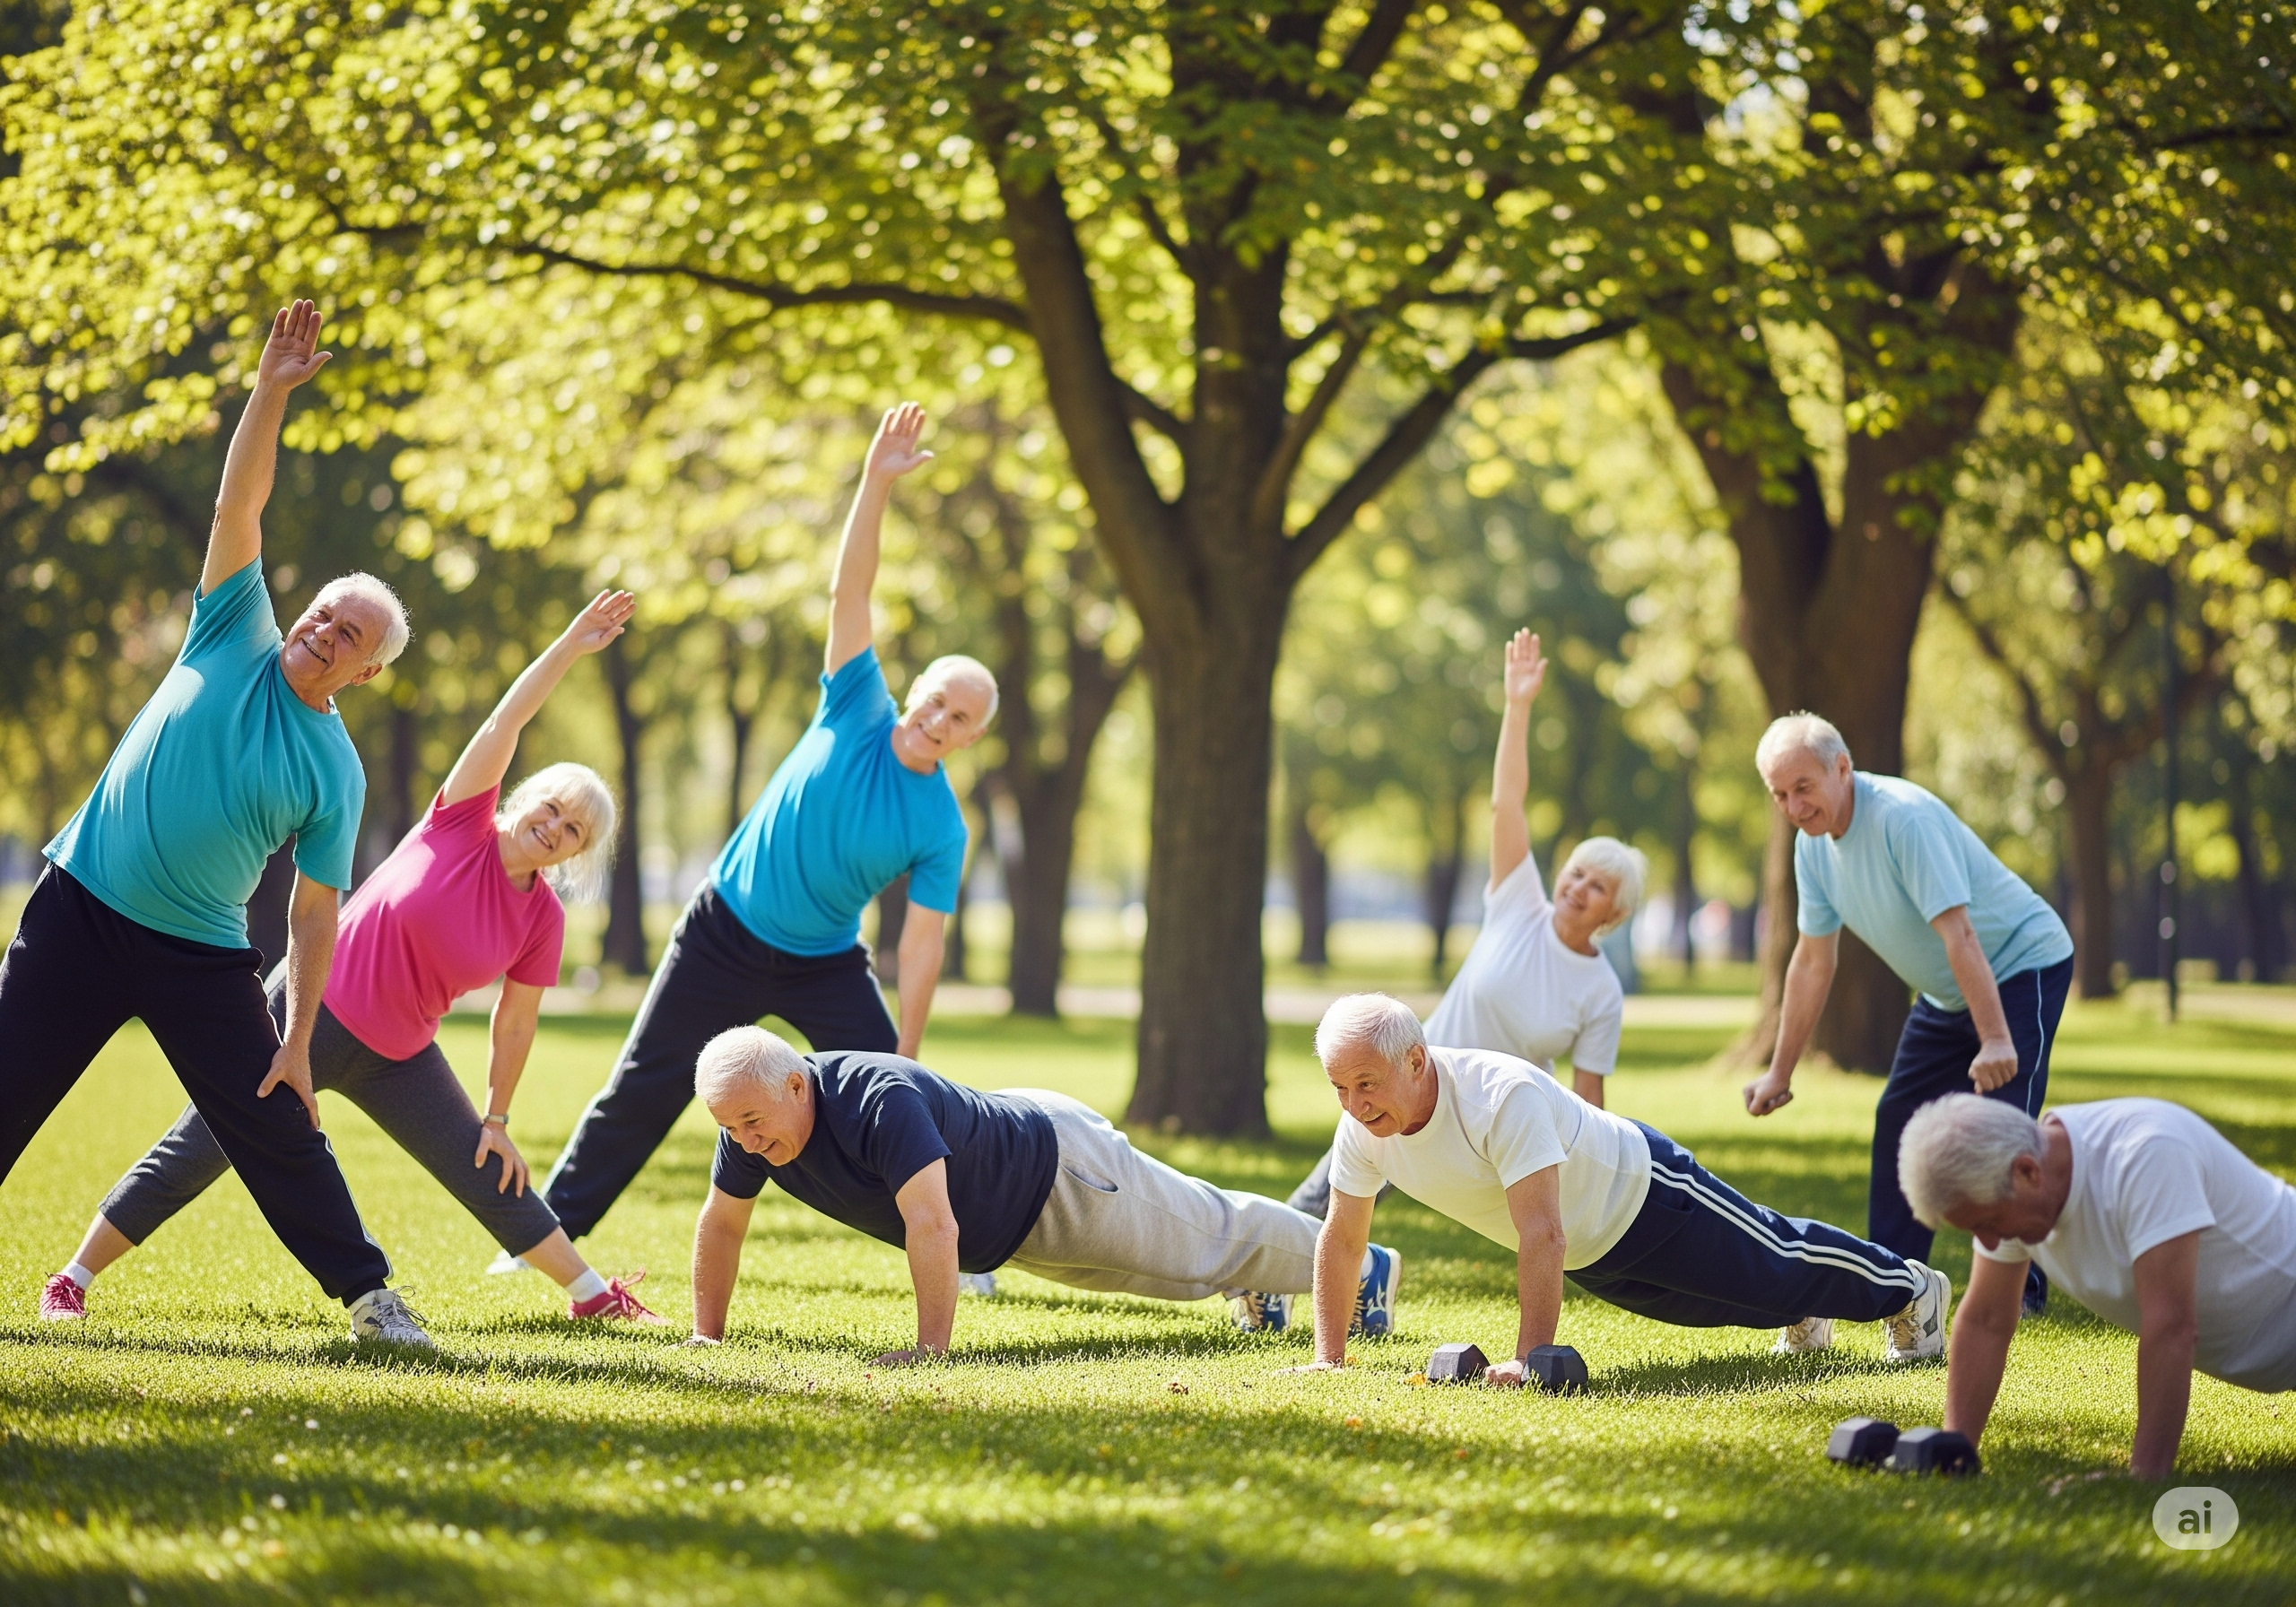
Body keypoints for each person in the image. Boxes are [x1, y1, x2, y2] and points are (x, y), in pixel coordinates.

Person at [47, 590, 665, 1326]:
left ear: (576, 853)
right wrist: (569, 646)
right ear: (524, 798)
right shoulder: (460, 820)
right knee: (201, 1146)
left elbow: (515, 1022)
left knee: (484, 1163)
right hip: (311, 1009)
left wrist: (497, 1118)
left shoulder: (543, 919)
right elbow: (507, 719)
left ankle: (593, 1296)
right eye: (552, 808)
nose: (555, 827)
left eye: (573, 831)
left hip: (399, 1054)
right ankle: (73, 1278)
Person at [4, 300, 429, 1344]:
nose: (325, 631)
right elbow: (242, 500)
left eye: (350, 635)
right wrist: (269, 391)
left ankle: (370, 1298)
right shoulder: (233, 627)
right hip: (80, 908)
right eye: (325, 611)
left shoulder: (333, 768)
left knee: (279, 1117)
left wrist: (298, 1038)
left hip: (196, 955)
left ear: (367, 672)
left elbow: (315, 913)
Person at [531, 404, 996, 1255]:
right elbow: (850, 590)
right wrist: (876, 482)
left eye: (959, 718)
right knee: (642, 1085)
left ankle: (962, 1247)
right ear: (917, 688)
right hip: (725, 931)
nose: (939, 718)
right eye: (936, 699)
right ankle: (542, 1237)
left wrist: (907, 1052)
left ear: (970, 738)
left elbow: (923, 945)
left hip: (826, 964)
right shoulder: (856, 702)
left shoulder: (942, 826)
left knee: (900, 1104)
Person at [1293, 995, 1950, 1382]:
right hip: (1592, 1254)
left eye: (1366, 1084)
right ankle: (1800, 1308)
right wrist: (1330, 1358)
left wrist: (1530, 1359)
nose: (1354, 1105)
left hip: (1649, 1191)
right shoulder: (1362, 1131)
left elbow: (1541, 1232)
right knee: (1720, 1302)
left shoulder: (1499, 1097)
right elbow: (1343, 1239)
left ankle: (1912, 1289)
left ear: (1415, 1060)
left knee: (1773, 1257)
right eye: (1339, 1088)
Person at [682, 1026, 1405, 1351]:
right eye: (729, 1127)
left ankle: (1367, 1269)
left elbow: (934, 1226)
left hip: (1058, 1170)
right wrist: (706, 1337)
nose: (744, 1141)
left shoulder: (877, 1099)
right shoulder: (751, 1122)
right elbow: (721, 1224)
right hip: (1013, 1221)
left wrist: (930, 1352)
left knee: (1205, 1239)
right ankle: (1265, 1285)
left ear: (796, 1085)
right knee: (1171, 1276)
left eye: (751, 1123)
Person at [1288, 629, 1646, 1219]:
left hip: (1486, 1118)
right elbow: (1507, 803)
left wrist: (1590, 1195)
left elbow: (1590, 1101)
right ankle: (1267, 1258)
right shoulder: (1519, 903)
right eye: (1577, 872)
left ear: (1616, 913)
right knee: (1327, 1200)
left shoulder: (1602, 991)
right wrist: (1518, 705)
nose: (1579, 889)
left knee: (1503, 1221)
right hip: (1414, 1085)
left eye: (1598, 887)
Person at [1742, 712, 2074, 1314]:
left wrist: (1995, 1038)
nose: (1793, 806)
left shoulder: (1902, 818)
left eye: (1803, 787)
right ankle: (1891, 1282)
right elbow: (1812, 962)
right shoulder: (1811, 849)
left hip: (2021, 965)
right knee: (1900, 1117)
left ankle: (2019, 1291)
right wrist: (1779, 1073)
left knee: (2002, 1127)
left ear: (1842, 768)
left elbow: (1960, 935)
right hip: (1948, 993)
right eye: (1780, 794)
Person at [1904, 1094, 2296, 1479]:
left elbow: (2172, 1326)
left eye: (1988, 1223)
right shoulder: (2017, 1185)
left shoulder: (2147, 1154)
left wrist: (2144, 1479)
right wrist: (1955, 1453)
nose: (1988, 1243)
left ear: (2027, 1172)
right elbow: (1986, 1320)